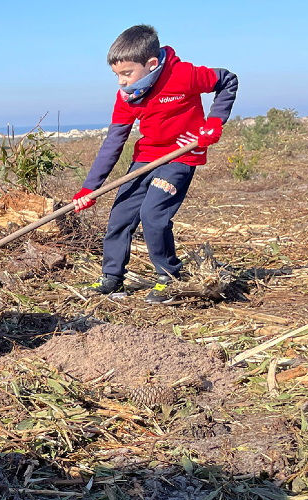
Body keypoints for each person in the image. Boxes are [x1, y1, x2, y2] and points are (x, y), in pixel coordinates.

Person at [72, 24, 238, 304]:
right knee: (121, 215)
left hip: (182, 154)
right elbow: (115, 140)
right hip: (147, 155)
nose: (121, 82)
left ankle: (169, 278)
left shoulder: (183, 75)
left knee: (153, 214)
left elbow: (227, 81)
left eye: (127, 73)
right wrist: (89, 188)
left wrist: (214, 121)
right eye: (116, 75)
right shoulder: (128, 96)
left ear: (150, 64)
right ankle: (112, 278)